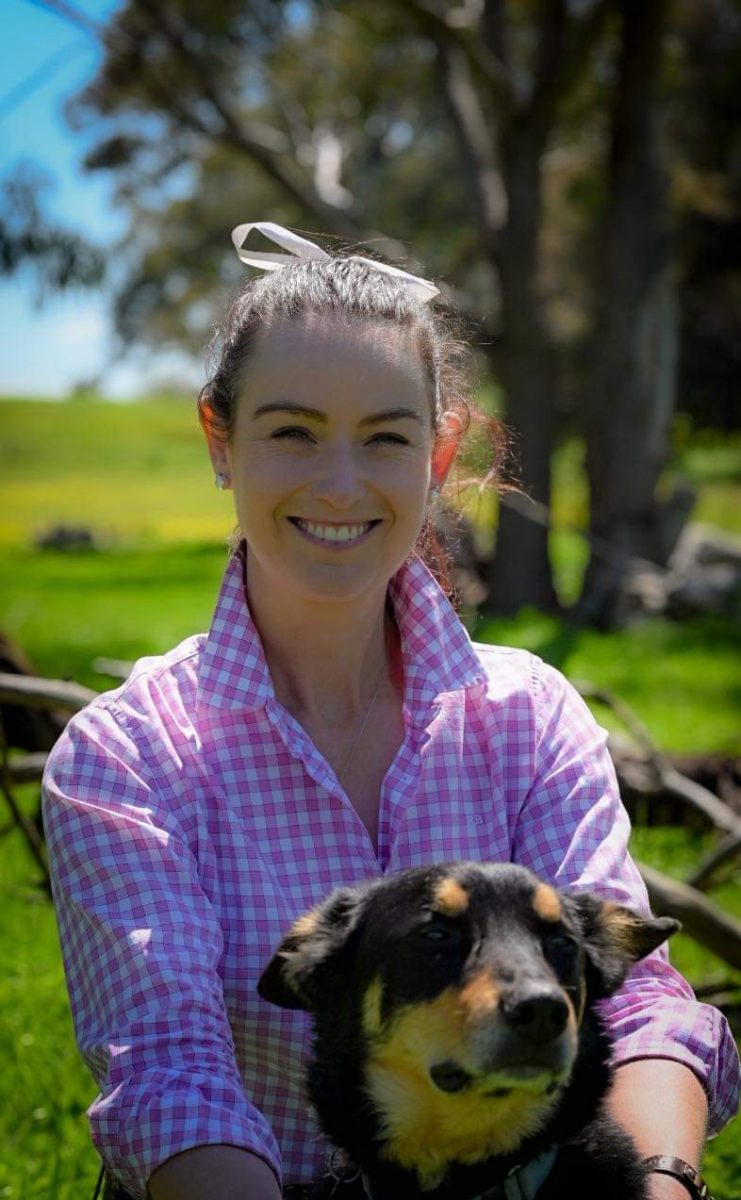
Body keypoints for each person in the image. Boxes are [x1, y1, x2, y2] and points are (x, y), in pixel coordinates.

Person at [42, 222, 738, 1200]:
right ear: (219, 440)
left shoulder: (530, 717)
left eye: (385, 437)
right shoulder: (127, 754)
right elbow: (169, 1073)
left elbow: (643, 1006)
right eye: (291, 431)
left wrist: (660, 1184)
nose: (340, 483)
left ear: (439, 449)